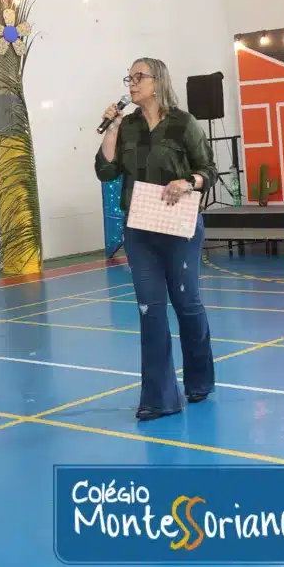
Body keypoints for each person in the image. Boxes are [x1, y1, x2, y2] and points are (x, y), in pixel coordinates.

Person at [94, 57, 218, 422]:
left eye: (139, 77)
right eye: (129, 78)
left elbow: (208, 170)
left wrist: (188, 182)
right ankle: (159, 399)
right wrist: (111, 129)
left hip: (179, 226)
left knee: (187, 304)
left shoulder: (183, 123)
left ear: (158, 81)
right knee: (150, 310)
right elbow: (105, 171)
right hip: (140, 229)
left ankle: (199, 381)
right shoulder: (128, 126)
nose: (132, 84)